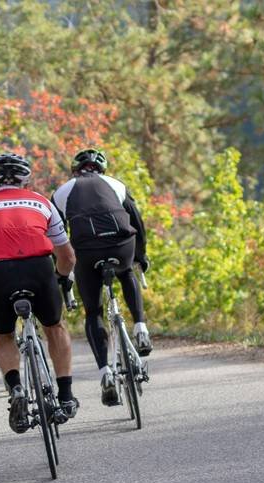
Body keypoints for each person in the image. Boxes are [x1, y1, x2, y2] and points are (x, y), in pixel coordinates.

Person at [0, 152, 78, 432]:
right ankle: (65, 395)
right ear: (26, 180)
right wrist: (60, 278)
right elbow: (68, 257)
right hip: (38, 270)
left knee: (2, 335)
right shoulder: (41, 202)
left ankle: (15, 388)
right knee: (55, 326)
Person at [51, 148, 152, 406]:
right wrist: (141, 255)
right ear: (102, 169)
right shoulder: (115, 183)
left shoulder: (62, 191)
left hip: (86, 251)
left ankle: (105, 373)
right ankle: (140, 327)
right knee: (126, 270)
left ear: (75, 170)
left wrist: (62, 273)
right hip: (122, 245)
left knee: (93, 313)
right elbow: (137, 222)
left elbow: (55, 235)